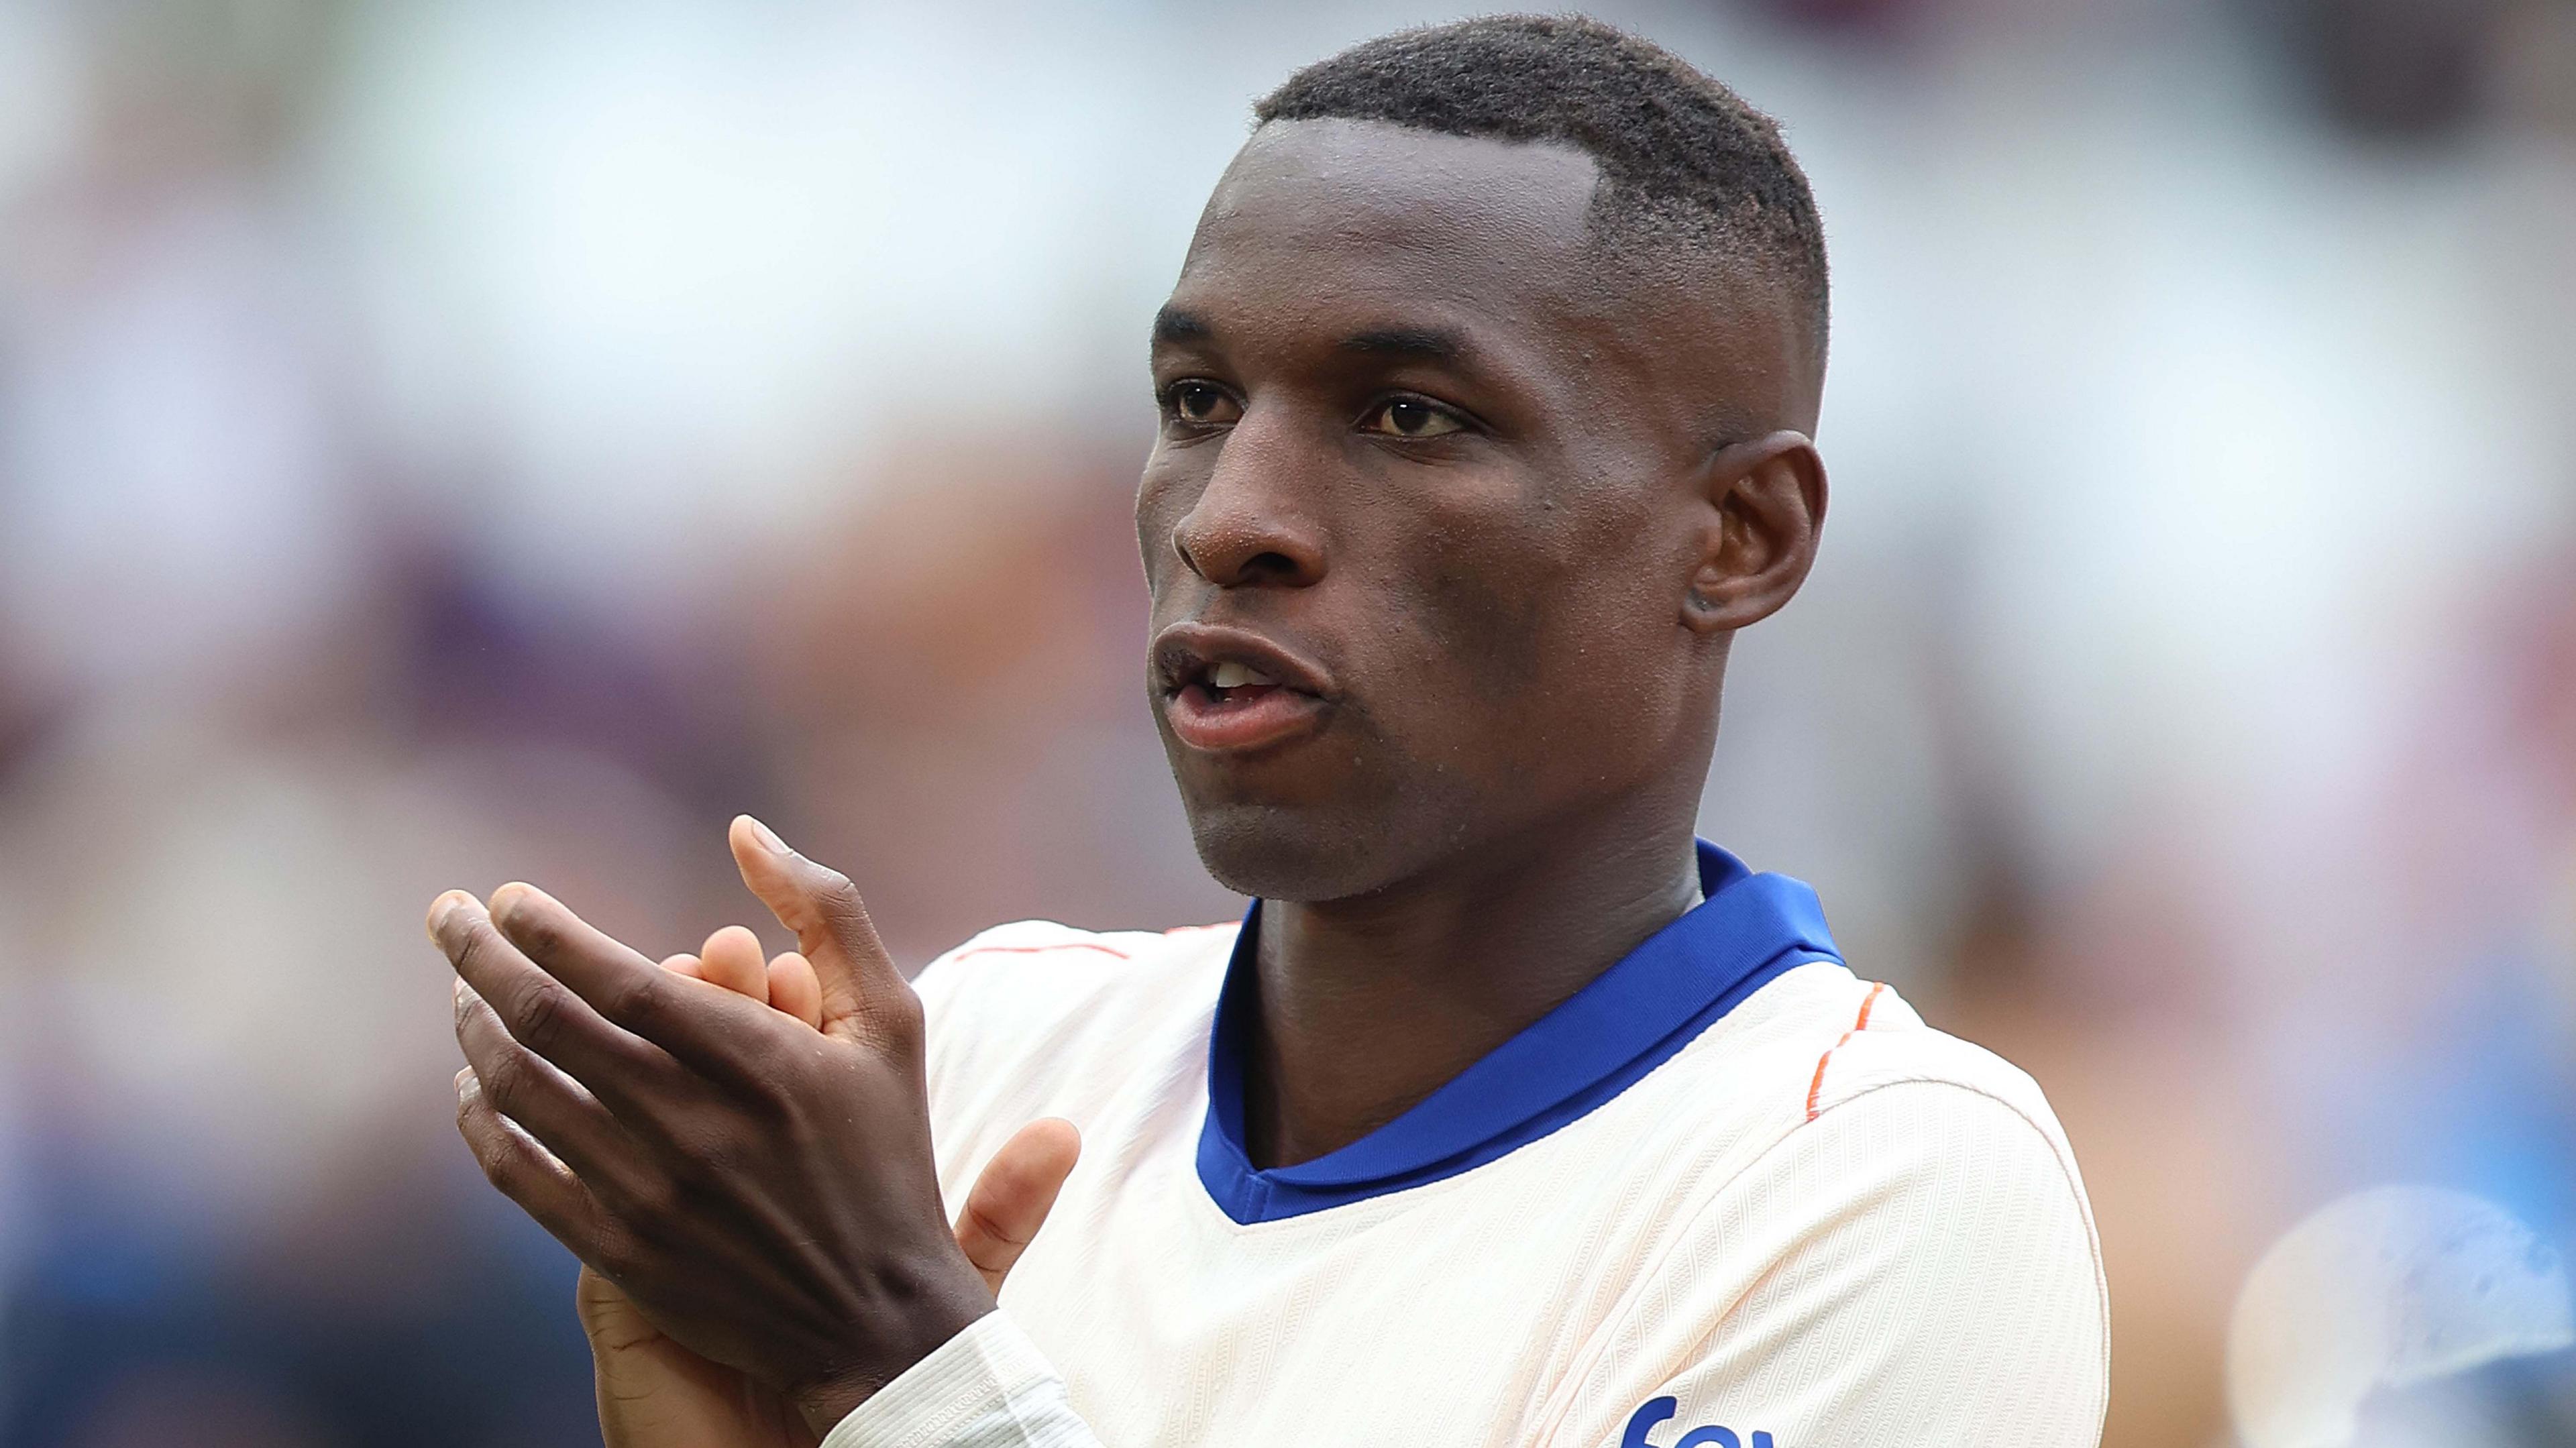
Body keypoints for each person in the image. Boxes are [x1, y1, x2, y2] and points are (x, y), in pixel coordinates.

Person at [429, 16, 2108, 1447]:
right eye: (1195, 402)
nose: (1230, 518)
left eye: (1408, 415)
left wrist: (888, 1349)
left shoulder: (1873, 1181)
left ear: (1740, 537)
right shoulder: (977, 1056)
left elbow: (899, 1363)